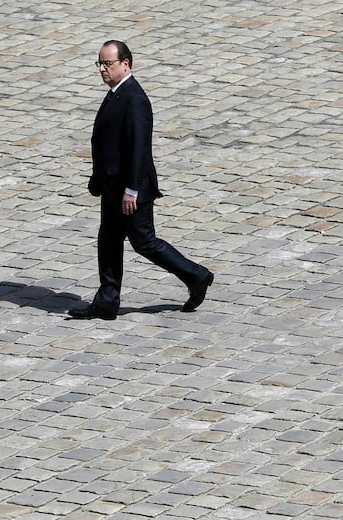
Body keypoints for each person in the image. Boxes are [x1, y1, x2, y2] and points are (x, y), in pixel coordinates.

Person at [68, 40, 214, 321]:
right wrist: (98, 178)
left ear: (126, 64)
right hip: (112, 187)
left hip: (130, 190)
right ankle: (107, 301)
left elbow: (138, 149)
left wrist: (131, 190)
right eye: (99, 63)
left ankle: (196, 276)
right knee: (108, 240)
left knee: (144, 242)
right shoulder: (115, 94)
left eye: (107, 63)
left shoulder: (134, 98)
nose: (101, 69)